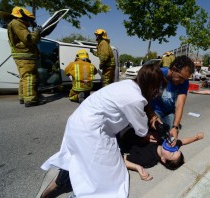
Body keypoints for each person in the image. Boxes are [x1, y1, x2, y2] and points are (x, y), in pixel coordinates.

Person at [40, 64, 166, 198]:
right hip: (90, 130)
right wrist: (147, 134)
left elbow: (142, 106)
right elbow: (141, 129)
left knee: (80, 160)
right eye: (156, 88)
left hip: (80, 121)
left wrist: (151, 115)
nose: (156, 92)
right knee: (107, 177)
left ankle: (58, 185)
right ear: (151, 86)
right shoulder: (135, 99)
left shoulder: (128, 84)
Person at [146, 55, 195, 143]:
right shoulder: (158, 74)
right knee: (154, 136)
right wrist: (151, 115)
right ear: (174, 69)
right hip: (154, 111)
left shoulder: (184, 83)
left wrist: (175, 127)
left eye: (185, 79)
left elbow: (180, 104)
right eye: (181, 77)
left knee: (170, 137)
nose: (182, 82)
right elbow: (145, 97)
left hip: (168, 112)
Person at [6, 6, 45, 107]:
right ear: (22, 16)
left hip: (23, 55)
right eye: (30, 20)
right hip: (25, 55)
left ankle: (23, 97)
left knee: (24, 77)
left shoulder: (15, 24)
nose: (30, 22)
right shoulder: (17, 23)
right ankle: (31, 100)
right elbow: (28, 39)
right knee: (29, 77)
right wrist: (36, 31)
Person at [118, 127, 204, 170]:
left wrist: (137, 168)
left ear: (163, 159)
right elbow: (183, 141)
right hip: (138, 125)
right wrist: (197, 137)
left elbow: (123, 159)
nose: (173, 148)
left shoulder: (148, 160)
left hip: (124, 132)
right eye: (177, 149)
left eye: (172, 153)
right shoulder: (170, 144)